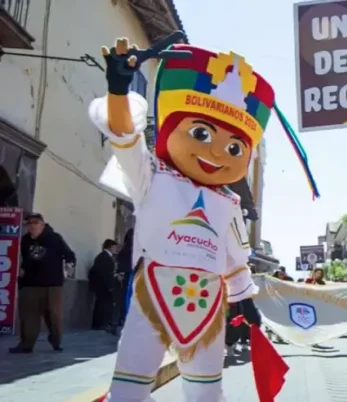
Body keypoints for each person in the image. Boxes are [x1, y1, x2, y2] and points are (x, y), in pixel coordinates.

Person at [88, 38, 316, 401]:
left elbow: (234, 259)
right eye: (201, 133)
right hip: (151, 297)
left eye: (234, 148)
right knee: (129, 390)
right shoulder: (152, 176)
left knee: (207, 393)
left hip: (208, 305)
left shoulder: (229, 202)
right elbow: (125, 140)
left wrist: (246, 302)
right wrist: (118, 92)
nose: (216, 152)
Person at [10, 213, 76, 353]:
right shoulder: (25, 240)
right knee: (28, 316)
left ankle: (56, 341)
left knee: (53, 316)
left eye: (35, 223)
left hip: (52, 284)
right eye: (29, 223)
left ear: (43, 224)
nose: (32, 226)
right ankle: (26, 344)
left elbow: (69, 255)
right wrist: (21, 271)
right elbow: (22, 258)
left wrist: (69, 266)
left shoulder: (54, 238)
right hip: (29, 284)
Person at [89, 239, 119, 331]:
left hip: (99, 285)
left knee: (100, 304)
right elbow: (107, 274)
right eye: (115, 247)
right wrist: (111, 286)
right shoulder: (106, 258)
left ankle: (98, 324)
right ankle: (102, 324)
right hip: (104, 286)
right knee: (104, 305)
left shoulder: (102, 256)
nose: (116, 249)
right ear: (110, 247)